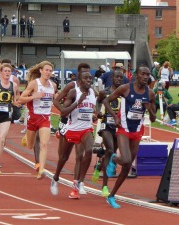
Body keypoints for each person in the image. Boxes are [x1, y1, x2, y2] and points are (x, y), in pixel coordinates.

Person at [102, 65, 156, 208]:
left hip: (137, 130)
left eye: (148, 74)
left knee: (126, 167)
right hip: (123, 129)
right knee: (125, 160)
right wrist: (115, 117)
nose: (145, 77)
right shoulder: (125, 88)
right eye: (143, 74)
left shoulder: (150, 94)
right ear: (136, 75)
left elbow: (153, 119)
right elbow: (106, 101)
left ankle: (112, 195)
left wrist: (149, 109)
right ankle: (114, 157)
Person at [50, 71, 96, 198]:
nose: (88, 80)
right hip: (72, 129)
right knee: (64, 158)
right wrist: (78, 102)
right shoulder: (74, 92)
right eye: (85, 78)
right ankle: (55, 177)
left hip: (86, 129)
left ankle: (78, 183)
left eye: (90, 78)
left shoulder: (93, 92)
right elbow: (64, 112)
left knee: (88, 151)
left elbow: (94, 108)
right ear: (80, 81)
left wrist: (96, 114)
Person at [18, 61, 58, 179]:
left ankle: (41, 169)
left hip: (45, 118)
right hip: (33, 117)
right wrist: (34, 96)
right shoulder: (34, 84)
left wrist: (58, 98)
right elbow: (21, 99)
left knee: (44, 144)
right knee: (30, 145)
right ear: (40, 71)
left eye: (50, 71)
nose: (48, 72)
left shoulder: (53, 86)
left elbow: (55, 98)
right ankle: (27, 137)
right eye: (46, 70)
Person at [91, 69, 124, 197]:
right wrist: (98, 112)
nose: (118, 79)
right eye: (116, 77)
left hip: (119, 126)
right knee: (110, 150)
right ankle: (104, 186)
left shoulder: (124, 92)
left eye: (121, 78)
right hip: (106, 125)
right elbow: (98, 102)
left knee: (110, 153)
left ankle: (99, 165)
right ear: (111, 78)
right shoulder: (105, 92)